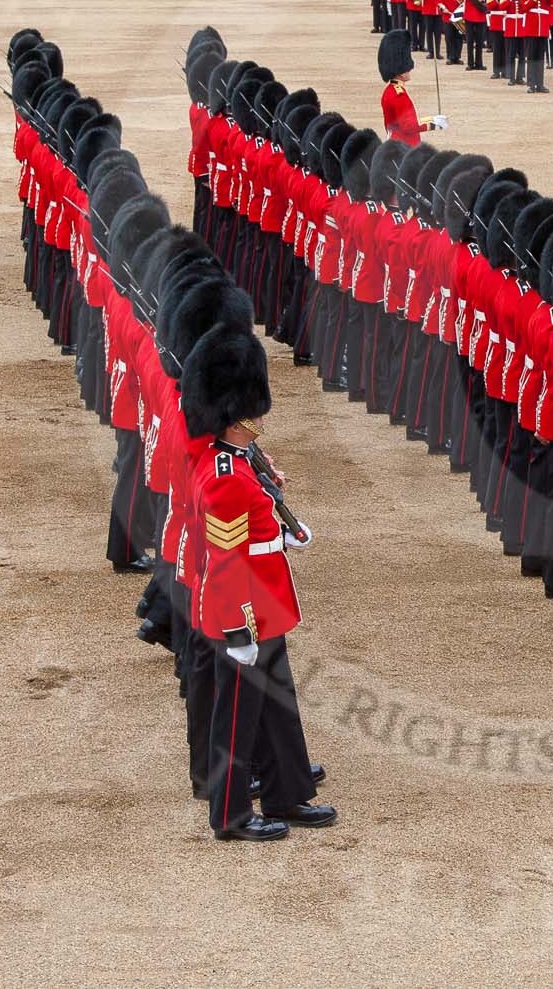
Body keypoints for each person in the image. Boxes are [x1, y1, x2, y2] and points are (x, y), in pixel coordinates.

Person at [182, 323, 334, 841]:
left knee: (276, 706)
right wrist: (237, 631)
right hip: (242, 613)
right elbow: (226, 562)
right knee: (237, 716)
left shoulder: (239, 461)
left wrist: (283, 534)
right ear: (237, 412)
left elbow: (254, 532)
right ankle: (230, 815)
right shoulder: (225, 477)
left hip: (264, 602)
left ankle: (287, 792)